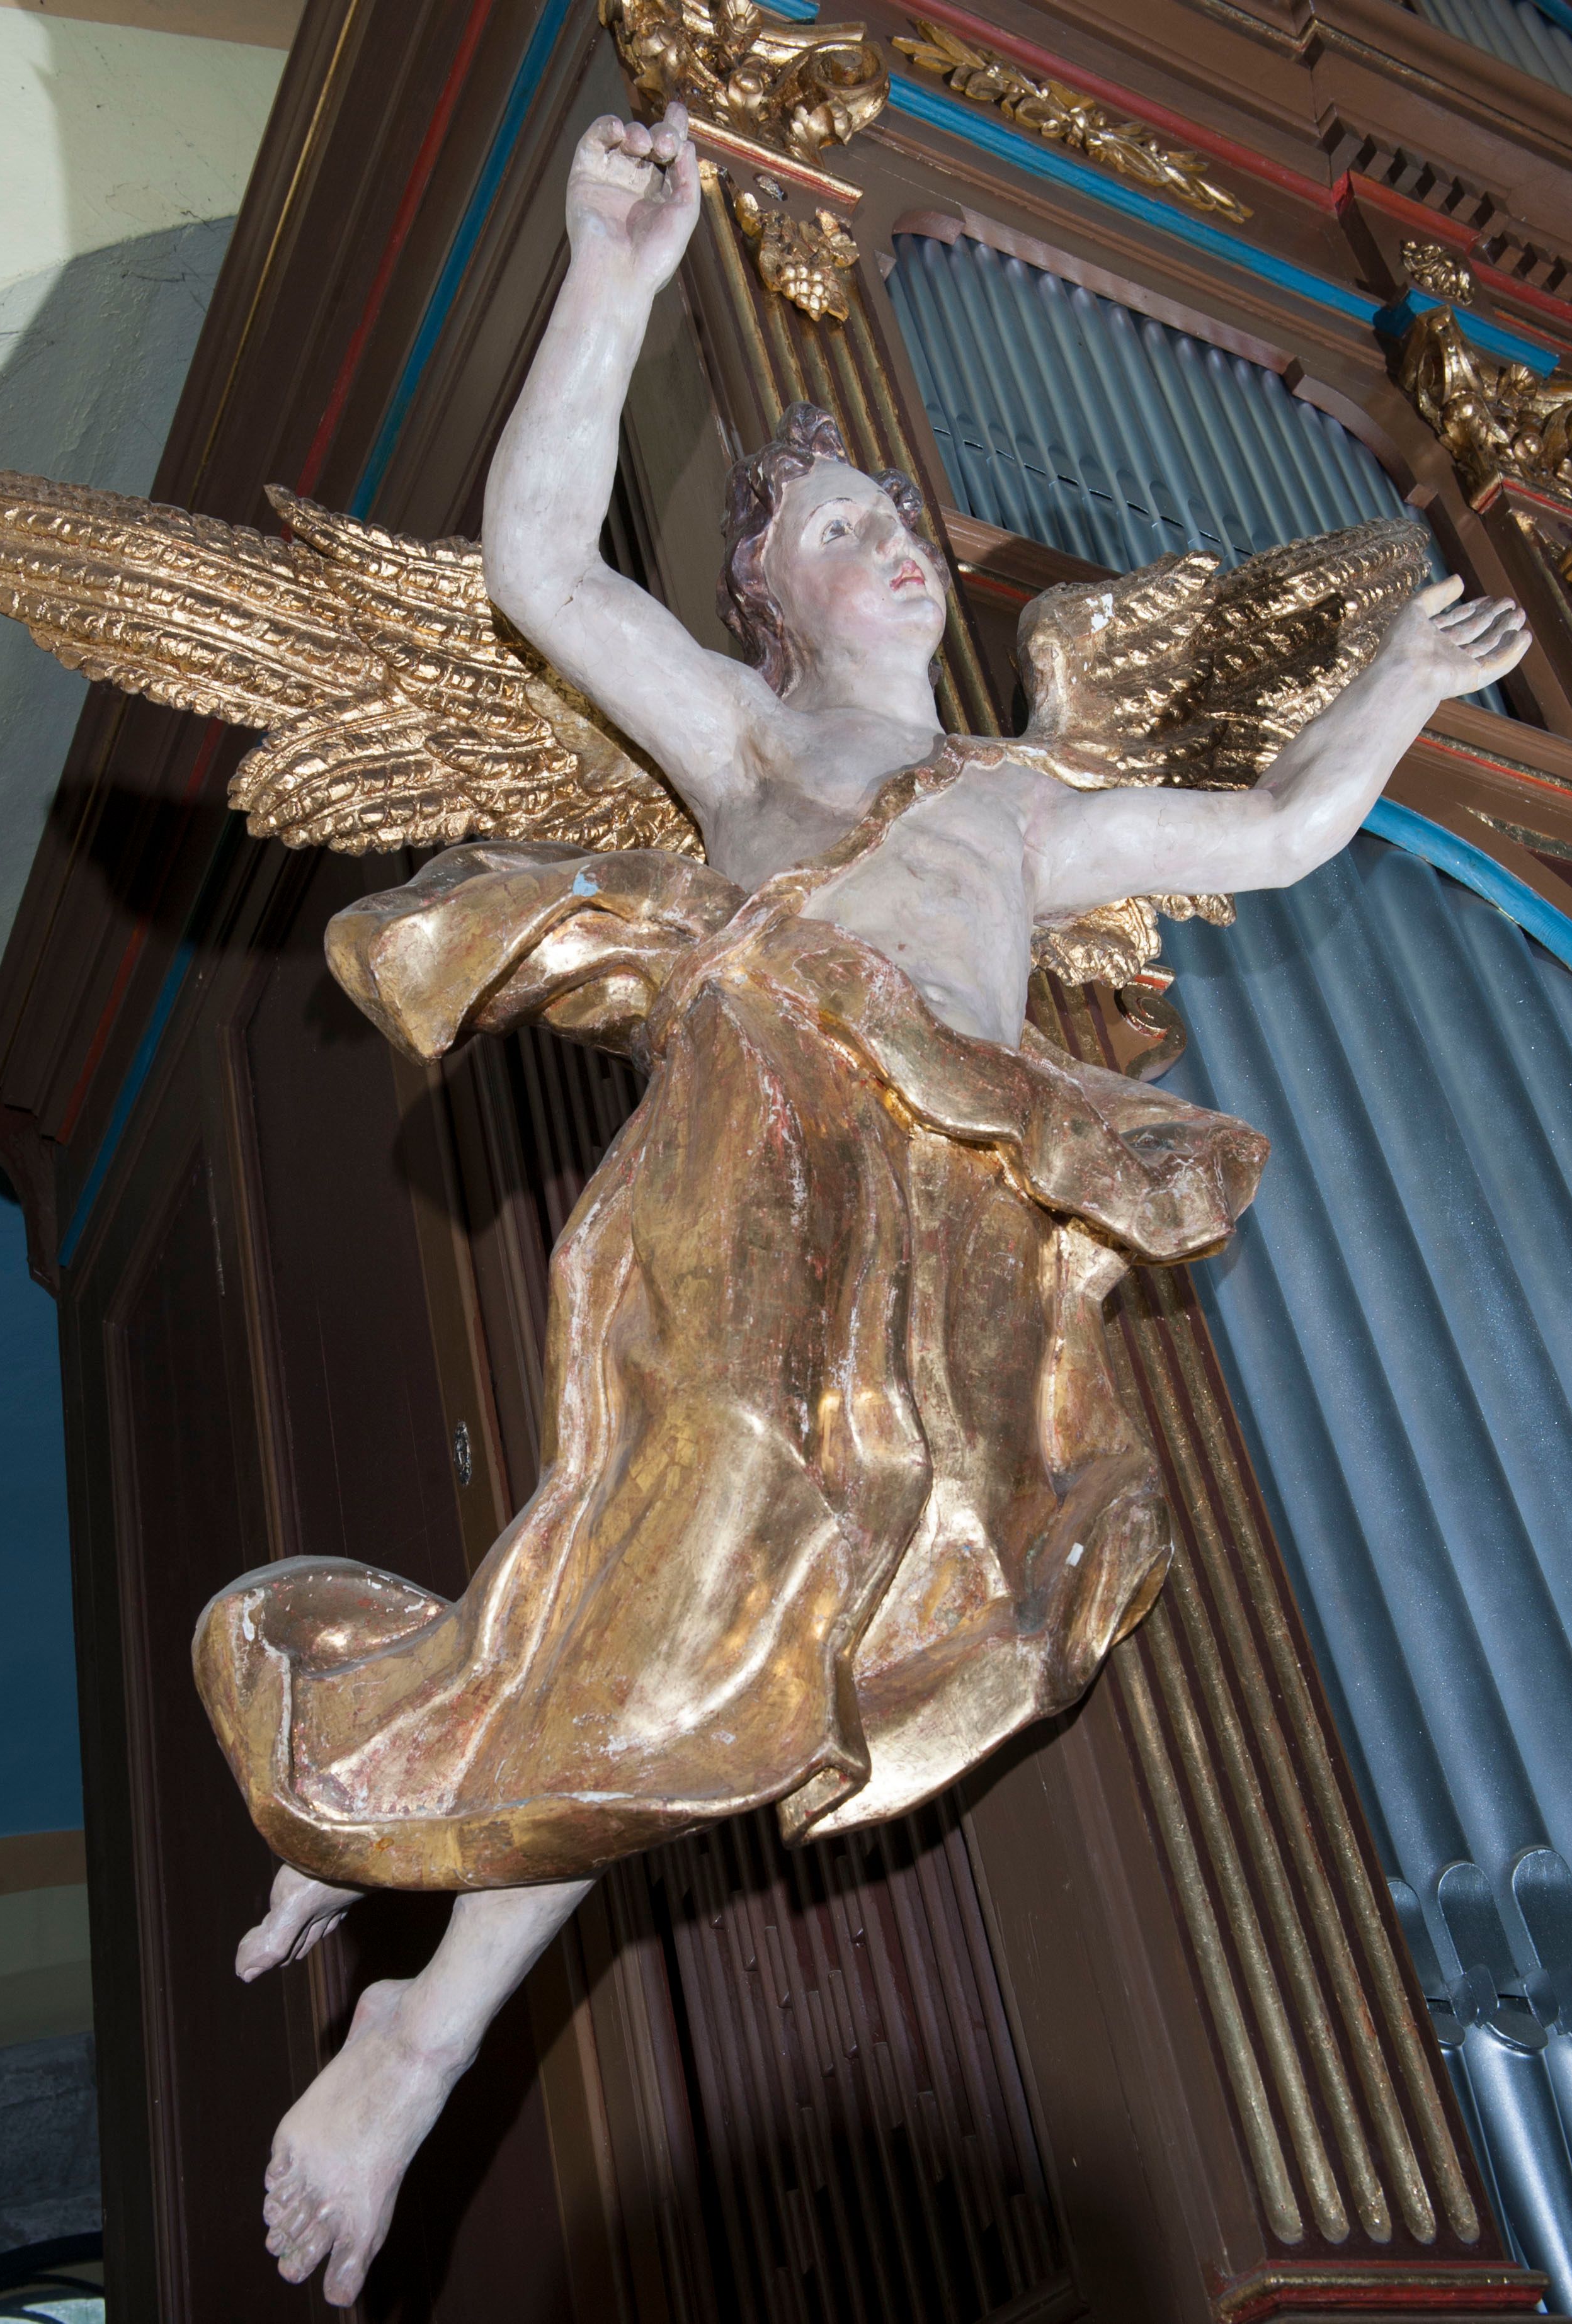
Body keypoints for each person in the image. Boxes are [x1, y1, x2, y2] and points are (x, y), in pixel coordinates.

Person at [203, 103, 1530, 2305]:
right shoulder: (747, 740)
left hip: (939, 1232)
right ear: (771, 603)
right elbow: (540, 562)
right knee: (703, 1517)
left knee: (758, 1624)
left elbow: (1278, 837)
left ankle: (419, 1816)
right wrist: (611, 277)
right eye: (840, 529)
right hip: (758, 1166)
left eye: (895, 515)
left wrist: (1388, 690)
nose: (893, 542)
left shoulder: (1021, 803)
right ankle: (420, 2022)